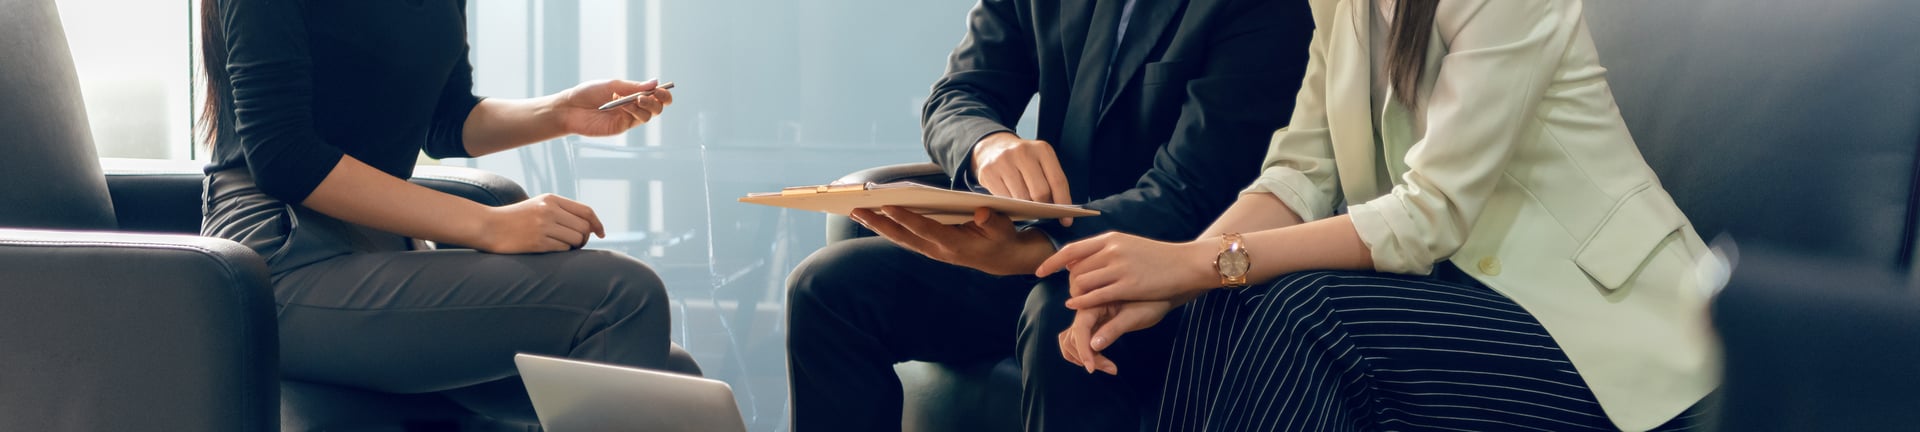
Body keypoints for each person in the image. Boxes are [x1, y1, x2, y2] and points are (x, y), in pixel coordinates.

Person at [1041, 0, 1717, 430]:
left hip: (1605, 329)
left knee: (1311, 311)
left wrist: (1193, 262)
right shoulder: (1341, 5)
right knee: (1228, 299)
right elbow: (1297, 174)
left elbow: (1430, 214)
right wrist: (1179, 280)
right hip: (1465, 303)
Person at [783, 0, 1313, 430]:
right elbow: (958, 94)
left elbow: (1191, 193)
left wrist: (1032, 249)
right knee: (827, 289)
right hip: (1043, 248)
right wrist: (987, 145)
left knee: (1062, 312)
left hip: (1177, 266)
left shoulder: (1266, 9)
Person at [198, 0, 677, 426]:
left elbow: (445, 119)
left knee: (676, 380)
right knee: (622, 297)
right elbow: (284, 158)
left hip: (381, 246)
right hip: (281, 260)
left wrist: (561, 111)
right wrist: (489, 225)